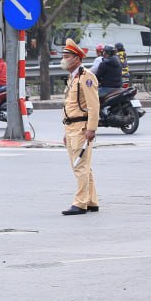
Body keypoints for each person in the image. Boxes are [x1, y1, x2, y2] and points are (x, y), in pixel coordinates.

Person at [59, 39, 100, 215]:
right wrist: (65, 131)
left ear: (76, 58)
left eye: (66, 56)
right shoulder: (73, 77)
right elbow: (69, 106)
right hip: (71, 127)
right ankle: (91, 201)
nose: (63, 59)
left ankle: (80, 203)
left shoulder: (86, 77)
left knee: (80, 166)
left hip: (81, 127)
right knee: (85, 166)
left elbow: (93, 105)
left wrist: (91, 129)